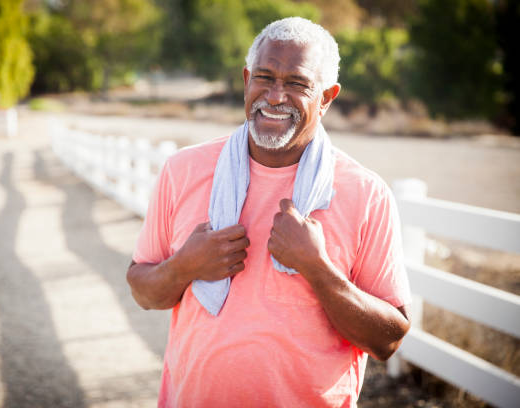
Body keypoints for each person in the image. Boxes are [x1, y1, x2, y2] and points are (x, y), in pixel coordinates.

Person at [127, 17, 412, 408]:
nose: (275, 96)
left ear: (326, 97)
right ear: (246, 80)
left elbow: (388, 339)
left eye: (296, 83)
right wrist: (183, 267)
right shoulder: (183, 170)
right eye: (264, 77)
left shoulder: (365, 194)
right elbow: (143, 292)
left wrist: (317, 267)